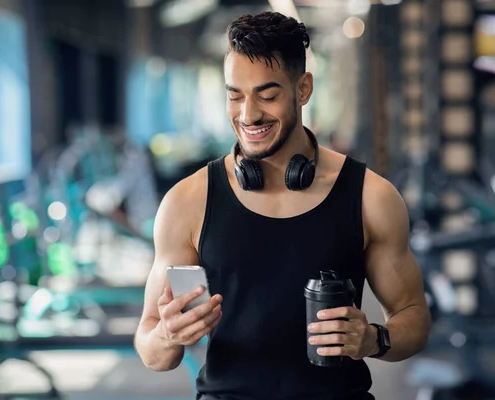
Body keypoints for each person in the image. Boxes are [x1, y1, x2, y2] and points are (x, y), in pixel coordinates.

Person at [134, 11, 431, 400]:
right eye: (235, 95)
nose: (248, 114)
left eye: (267, 95)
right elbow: (152, 351)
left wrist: (374, 339)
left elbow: (415, 319)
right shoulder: (187, 202)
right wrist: (168, 334)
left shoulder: (369, 196)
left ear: (303, 89)